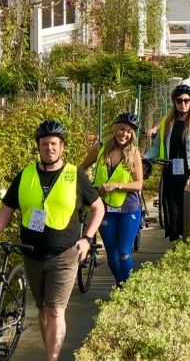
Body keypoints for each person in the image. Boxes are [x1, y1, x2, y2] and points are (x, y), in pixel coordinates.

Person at [0, 120, 104, 361]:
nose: (50, 148)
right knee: (42, 309)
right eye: (45, 143)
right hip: (32, 254)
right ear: (38, 146)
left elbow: (98, 208)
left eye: (54, 144)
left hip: (64, 254)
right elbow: (6, 209)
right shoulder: (25, 175)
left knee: (56, 310)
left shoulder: (75, 175)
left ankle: (52, 358)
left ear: (62, 147)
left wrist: (87, 239)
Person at [79, 112, 144, 286]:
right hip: (104, 209)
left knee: (124, 253)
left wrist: (117, 185)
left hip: (128, 209)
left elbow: (139, 185)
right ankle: (121, 285)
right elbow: (82, 169)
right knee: (112, 255)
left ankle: (127, 288)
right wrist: (85, 190)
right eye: (122, 129)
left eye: (129, 131)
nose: (125, 134)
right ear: (115, 128)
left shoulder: (134, 153)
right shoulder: (99, 148)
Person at [148, 84, 190, 241]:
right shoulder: (167, 123)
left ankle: (188, 238)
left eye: (187, 101)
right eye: (179, 101)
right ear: (174, 102)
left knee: (188, 207)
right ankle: (178, 238)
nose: (183, 104)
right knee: (173, 207)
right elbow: (156, 147)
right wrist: (143, 158)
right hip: (171, 170)